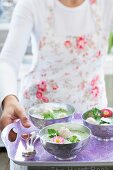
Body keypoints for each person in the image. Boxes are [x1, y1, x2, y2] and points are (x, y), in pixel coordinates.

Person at [0, 0, 113, 131]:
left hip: (92, 119)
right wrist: (9, 98)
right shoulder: (31, 4)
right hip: (40, 120)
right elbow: (8, 59)